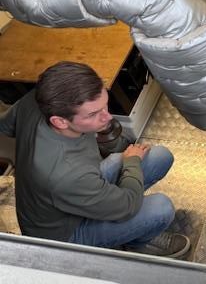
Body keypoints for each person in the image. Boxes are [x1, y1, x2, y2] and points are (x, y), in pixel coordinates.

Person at [0, 61, 190, 257]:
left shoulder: (38, 100)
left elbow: (5, 126)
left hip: (71, 193)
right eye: (93, 114)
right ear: (60, 122)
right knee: (160, 208)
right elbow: (128, 206)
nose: (107, 117)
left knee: (160, 156)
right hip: (64, 233)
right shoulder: (67, 174)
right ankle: (139, 242)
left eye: (104, 104)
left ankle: (122, 223)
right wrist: (131, 162)